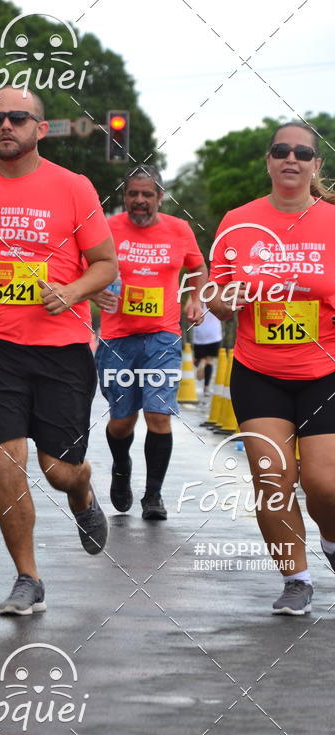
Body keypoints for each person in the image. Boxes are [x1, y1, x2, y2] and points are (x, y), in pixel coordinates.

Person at [0, 85, 117, 616]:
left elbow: (105, 265)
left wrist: (75, 292)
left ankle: (82, 492)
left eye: (17, 118)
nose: (4, 126)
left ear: (39, 128)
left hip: (63, 349)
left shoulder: (74, 188)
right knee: (5, 462)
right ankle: (27, 578)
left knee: (59, 470)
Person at [208, 120, 335, 616]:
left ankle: (329, 538)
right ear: (268, 160)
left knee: (325, 483)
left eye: (302, 153)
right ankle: (296, 578)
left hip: (324, 371)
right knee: (272, 478)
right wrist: (222, 299)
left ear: (315, 165)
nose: (291, 159)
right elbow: (214, 295)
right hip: (259, 370)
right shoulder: (239, 221)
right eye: (281, 150)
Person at [93, 165, 206, 519]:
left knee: (159, 416)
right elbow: (85, 268)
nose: (139, 201)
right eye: (133, 194)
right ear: (124, 197)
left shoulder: (179, 229)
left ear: (159, 196)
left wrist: (195, 298)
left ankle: (153, 495)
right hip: (117, 340)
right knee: (122, 421)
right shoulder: (107, 229)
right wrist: (96, 292)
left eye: (147, 195)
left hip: (163, 337)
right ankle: (121, 464)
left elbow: (198, 267)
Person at [193, 308, 223, 395]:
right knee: (210, 361)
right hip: (214, 333)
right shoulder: (218, 294)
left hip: (200, 332)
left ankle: (202, 361)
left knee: (197, 359)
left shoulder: (195, 295)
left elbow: (187, 309)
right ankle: (206, 387)